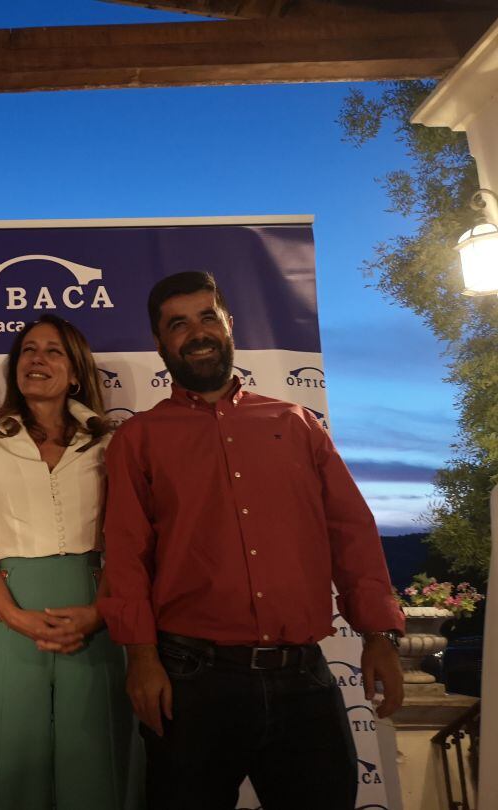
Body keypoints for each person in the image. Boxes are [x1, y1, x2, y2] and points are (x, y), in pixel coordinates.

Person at [98, 271, 406, 810]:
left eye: (207, 317)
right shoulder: (137, 440)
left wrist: (378, 634)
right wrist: (141, 659)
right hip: (189, 682)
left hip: (304, 680)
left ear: (228, 324)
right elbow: (126, 555)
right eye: (178, 324)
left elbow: (350, 531)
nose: (197, 333)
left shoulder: (298, 423)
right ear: (159, 343)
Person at [0, 314, 136, 810]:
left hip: (95, 610)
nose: (37, 359)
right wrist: (15, 618)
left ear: (75, 372)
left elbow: (124, 539)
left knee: (97, 756)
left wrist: (98, 612)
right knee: (11, 760)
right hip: (13, 610)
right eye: (29, 350)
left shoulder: (107, 442)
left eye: (53, 351)